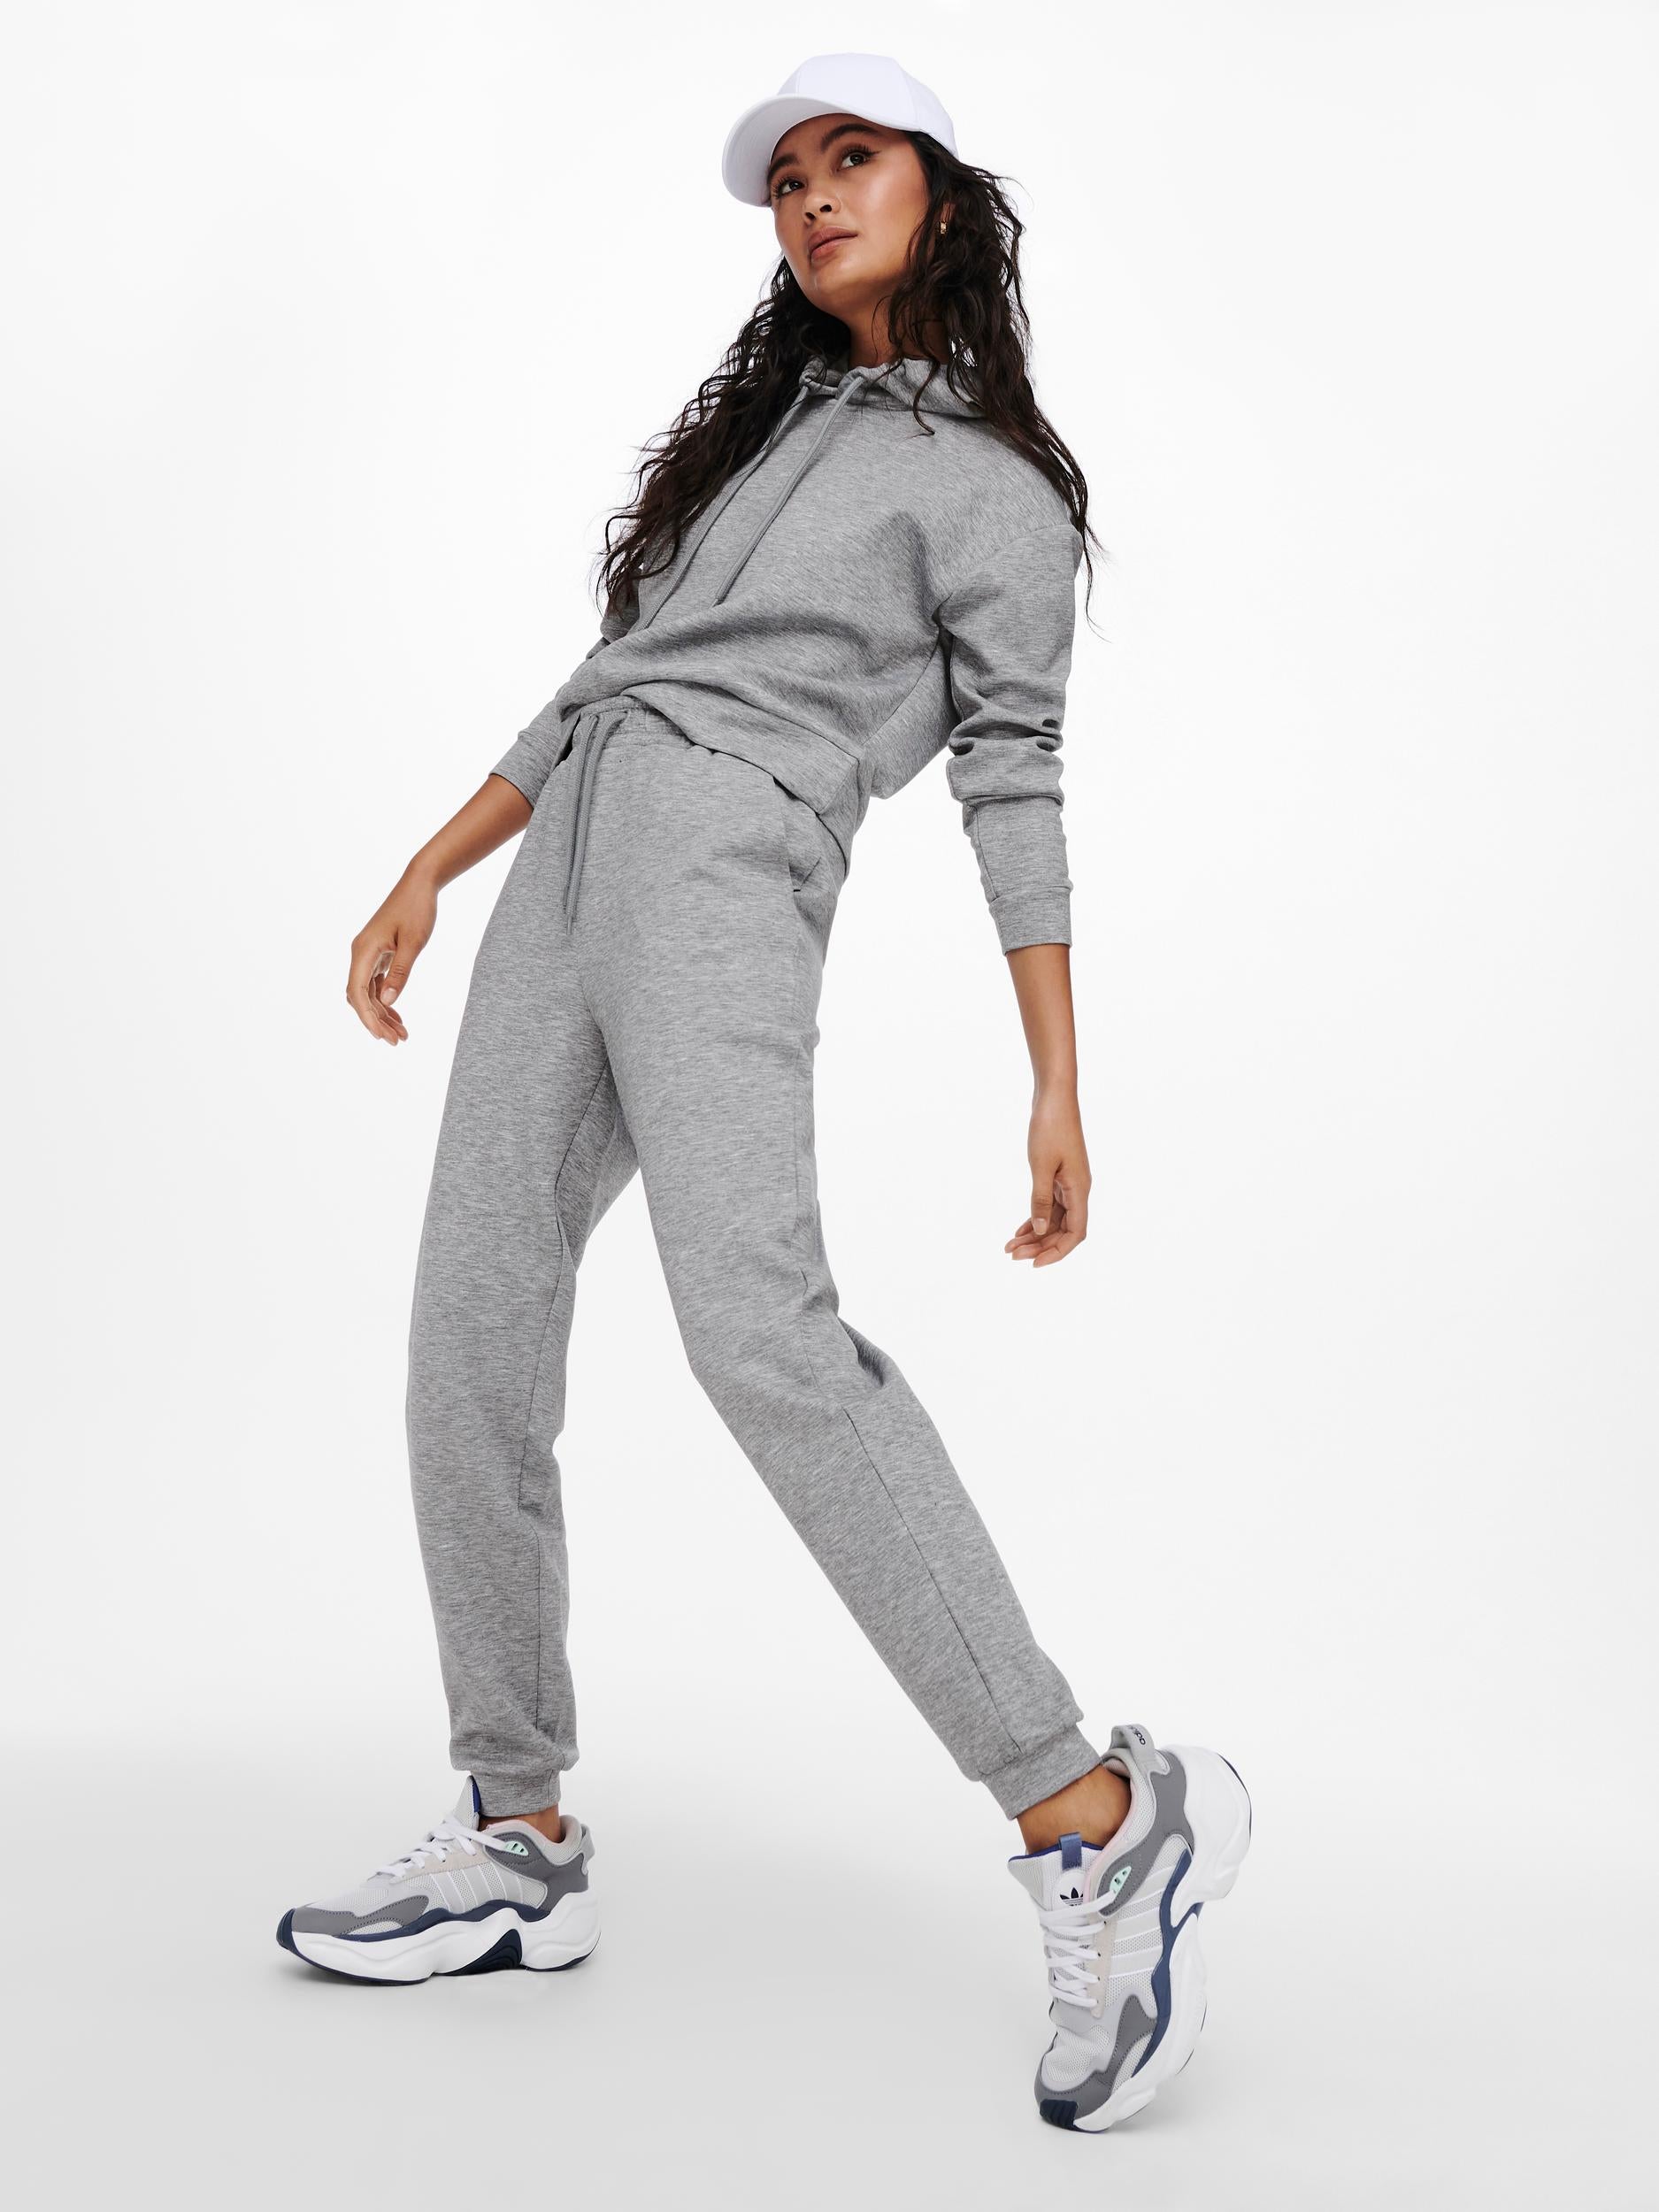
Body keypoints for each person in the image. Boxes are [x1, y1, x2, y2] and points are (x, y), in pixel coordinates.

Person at [277, 51, 1250, 2134]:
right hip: (567, 860)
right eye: (788, 177)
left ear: (940, 192)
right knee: (467, 1331)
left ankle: (1087, 1809)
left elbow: (1011, 775)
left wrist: (1055, 1077)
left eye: (851, 160)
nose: (811, 198)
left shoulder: (997, 492)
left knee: (757, 1332)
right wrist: (433, 861)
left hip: (728, 860)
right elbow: (603, 678)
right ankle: (516, 1829)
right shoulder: (765, 438)